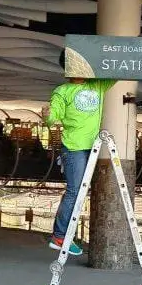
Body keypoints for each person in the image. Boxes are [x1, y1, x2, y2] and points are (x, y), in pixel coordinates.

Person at [42, 57, 116, 254]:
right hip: (73, 147)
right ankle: (59, 237)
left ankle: (64, 236)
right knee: (75, 192)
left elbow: (116, 70)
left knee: (80, 193)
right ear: (67, 70)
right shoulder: (62, 91)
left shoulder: (98, 84)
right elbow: (52, 117)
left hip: (91, 147)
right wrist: (47, 116)